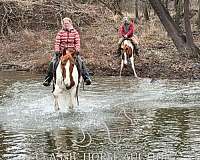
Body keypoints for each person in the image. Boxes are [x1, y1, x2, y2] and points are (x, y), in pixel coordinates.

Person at [43, 17, 91, 87]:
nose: (66, 25)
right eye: (64, 23)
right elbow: (57, 43)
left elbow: (77, 42)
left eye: (67, 23)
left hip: (72, 52)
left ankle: (86, 77)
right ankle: (48, 79)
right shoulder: (60, 33)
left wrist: (77, 50)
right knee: (52, 62)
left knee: (81, 61)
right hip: (62, 52)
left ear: (70, 23)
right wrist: (57, 50)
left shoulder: (75, 32)